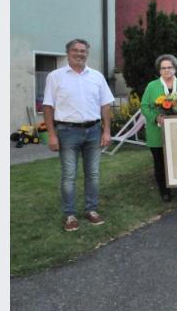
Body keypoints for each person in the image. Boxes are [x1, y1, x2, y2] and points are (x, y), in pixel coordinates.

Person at [43, 39, 114, 232]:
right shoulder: (55, 77)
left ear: (87, 54)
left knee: (93, 174)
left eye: (83, 51)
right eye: (75, 50)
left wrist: (106, 131)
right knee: (69, 176)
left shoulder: (97, 76)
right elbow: (48, 106)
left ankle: (91, 210)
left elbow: (105, 105)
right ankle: (70, 215)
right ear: (68, 53)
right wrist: (51, 135)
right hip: (67, 132)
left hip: (93, 131)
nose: (79, 54)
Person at [140, 54, 177, 202]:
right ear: (159, 70)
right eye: (163, 68)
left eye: (169, 67)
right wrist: (156, 117)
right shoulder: (152, 86)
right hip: (156, 131)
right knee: (160, 163)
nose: (166, 70)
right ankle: (164, 191)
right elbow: (144, 106)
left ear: (175, 69)